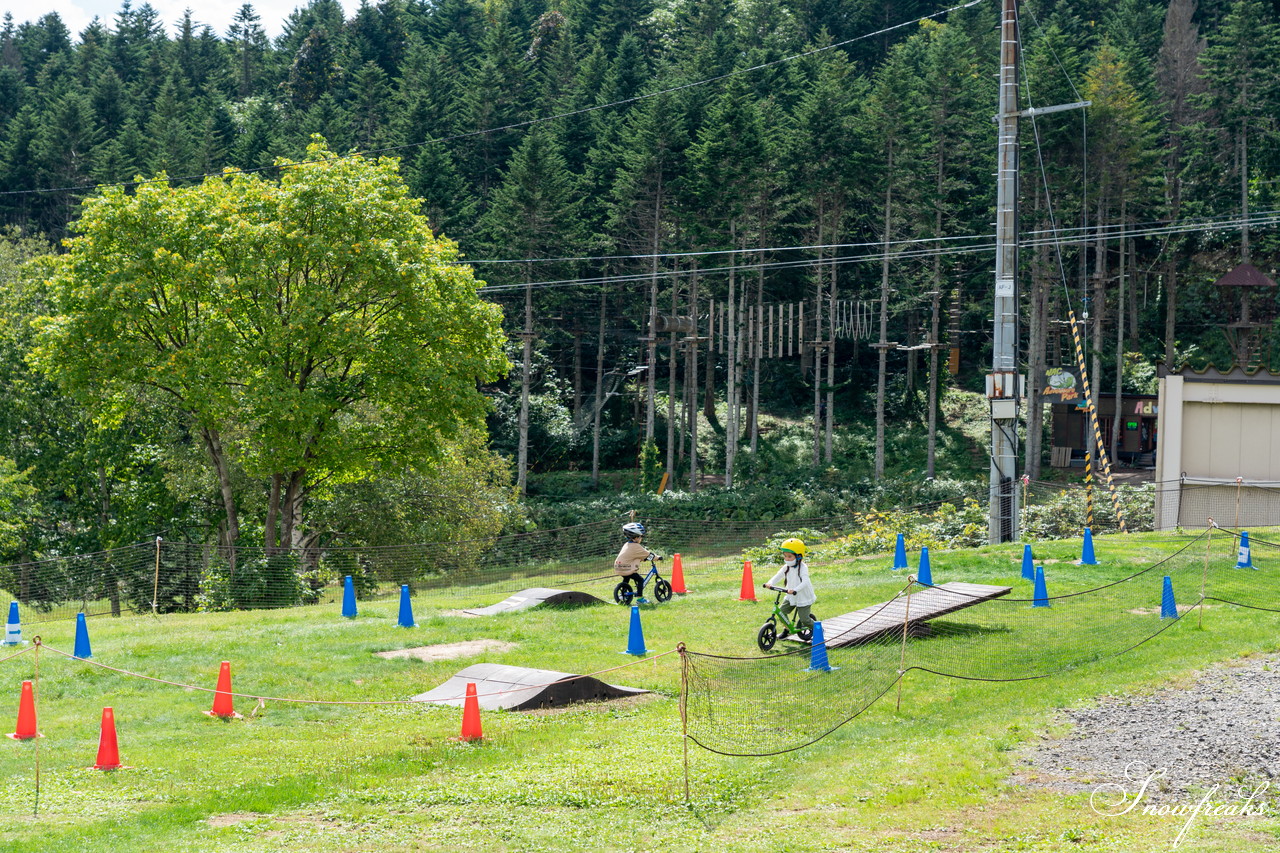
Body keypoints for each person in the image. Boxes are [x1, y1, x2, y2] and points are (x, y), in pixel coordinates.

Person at [762, 538, 816, 637]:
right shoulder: (786, 567)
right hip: (791, 595)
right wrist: (770, 583)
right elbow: (778, 575)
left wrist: (795, 590)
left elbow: (805, 582)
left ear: (799, 556)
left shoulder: (803, 568)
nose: (786, 559)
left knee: (805, 619)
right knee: (781, 612)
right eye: (785, 556)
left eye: (790, 556)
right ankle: (787, 630)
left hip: (803, 596)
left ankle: (819, 630)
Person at [614, 521, 658, 604]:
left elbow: (633, 556)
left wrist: (643, 559)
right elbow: (648, 555)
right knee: (640, 580)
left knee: (626, 578)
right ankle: (640, 599)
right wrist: (658, 557)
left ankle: (622, 594)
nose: (641, 538)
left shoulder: (627, 544)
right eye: (640, 536)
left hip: (618, 566)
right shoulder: (636, 546)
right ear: (635, 537)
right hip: (626, 567)